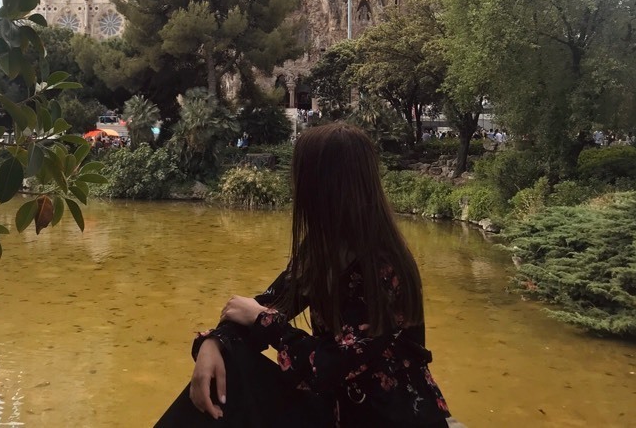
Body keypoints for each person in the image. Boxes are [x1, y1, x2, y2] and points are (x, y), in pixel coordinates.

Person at [155, 123, 454, 428]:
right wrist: (213, 343)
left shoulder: (384, 265)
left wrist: (263, 321)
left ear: (322, 185)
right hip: (336, 408)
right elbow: (271, 303)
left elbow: (329, 365)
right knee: (228, 367)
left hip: (387, 417)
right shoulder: (323, 250)